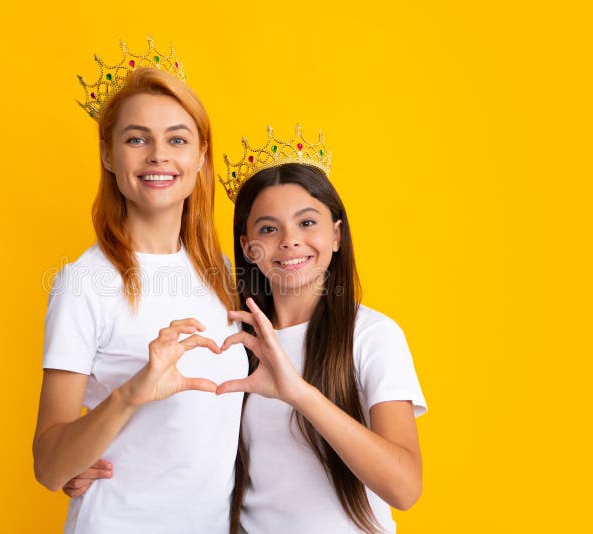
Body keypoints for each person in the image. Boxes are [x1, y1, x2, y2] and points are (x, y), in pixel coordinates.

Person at [66, 126, 427, 534]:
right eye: (269, 229)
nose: (290, 242)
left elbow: (404, 488)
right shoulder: (232, 339)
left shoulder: (372, 336)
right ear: (248, 246)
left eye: (308, 222)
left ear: (337, 235)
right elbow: (191, 441)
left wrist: (299, 393)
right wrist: (83, 464)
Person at [32, 41, 247, 534]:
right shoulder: (83, 283)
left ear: (200, 157)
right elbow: (49, 466)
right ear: (108, 154)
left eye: (177, 140)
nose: (158, 156)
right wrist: (130, 395)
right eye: (136, 139)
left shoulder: (225, 276)